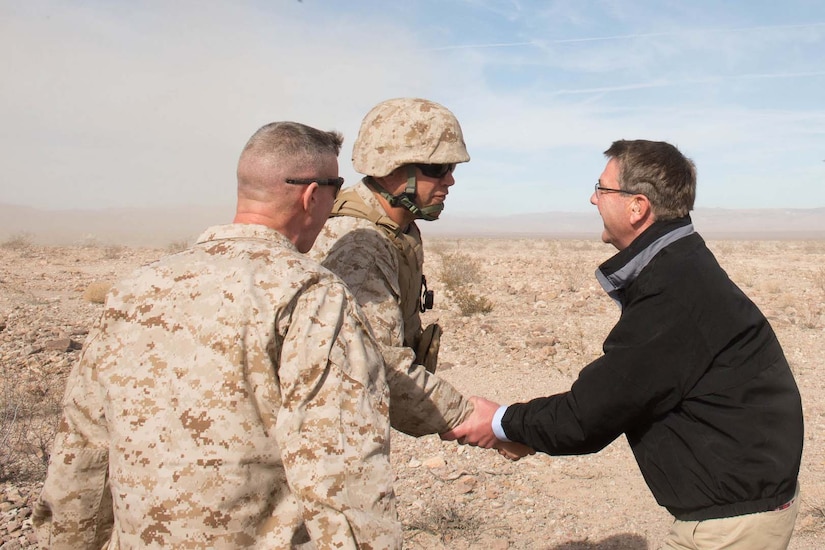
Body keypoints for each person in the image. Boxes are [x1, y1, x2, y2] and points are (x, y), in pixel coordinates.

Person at [33, 121, 404, 549]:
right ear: (312, 195)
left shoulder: (135, 288)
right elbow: (340, 468)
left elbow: (81, 453)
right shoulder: (311, 293)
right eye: (335, 188)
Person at [442, 139, 804, 549]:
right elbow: (632, 394)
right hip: (741, 506)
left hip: (732, 526)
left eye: (602, 188)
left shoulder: (675, 289)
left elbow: (593, 412)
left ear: (637, 207)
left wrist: (499, 422)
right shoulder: (679, 265)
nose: (593, 199)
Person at [310, 98, 530, 459]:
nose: (451, 180)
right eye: (438, 167)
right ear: (392, 169)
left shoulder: (398, 226)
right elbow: (379, 364)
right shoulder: (360, 243)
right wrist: (474, 420)